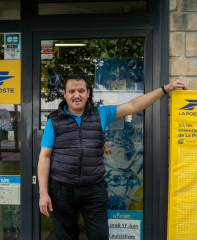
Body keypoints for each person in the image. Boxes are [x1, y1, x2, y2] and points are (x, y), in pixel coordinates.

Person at [38, 74, 188, 240]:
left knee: (100, 236)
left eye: (81, 90)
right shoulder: (54, 120)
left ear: (88, 93)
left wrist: (165, 89)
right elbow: (45, 156)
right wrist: (43, 193)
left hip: (94, 188)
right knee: (65, 237)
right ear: (65, 94)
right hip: (62, 188)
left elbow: (132, 106)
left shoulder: (101, 114)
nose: (76, 95)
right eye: (71, 91)